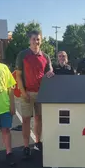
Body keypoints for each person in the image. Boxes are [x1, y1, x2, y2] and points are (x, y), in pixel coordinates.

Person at [15, 30, 54, 159]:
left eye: (38, 39)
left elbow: (49, 72)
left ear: (41, 40)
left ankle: (38, 142)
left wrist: (51, 72)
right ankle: (26, 146)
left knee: (39, 119)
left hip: (41, 93)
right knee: (26, 120)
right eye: (33, 39)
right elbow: (18, 75)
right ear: (29, 40)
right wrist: (23, 91)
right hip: (27, 93)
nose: (36, 41)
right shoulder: (23, 55)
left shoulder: (46, 56)